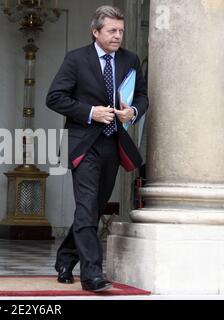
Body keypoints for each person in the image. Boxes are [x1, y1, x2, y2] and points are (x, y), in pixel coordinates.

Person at [46, 6, 148, 292]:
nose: (118, 36)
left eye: (121, 31)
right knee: (87, 205)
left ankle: (66, 258)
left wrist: (134, 112)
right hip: (84, 144)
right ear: (95, 32)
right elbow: (54, 98)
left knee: (93, 208)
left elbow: (142, 96)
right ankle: (92, 274)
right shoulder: (76, 59)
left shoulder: (130, 59)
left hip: (114, 145)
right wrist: (91, 112)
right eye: (112, 31)